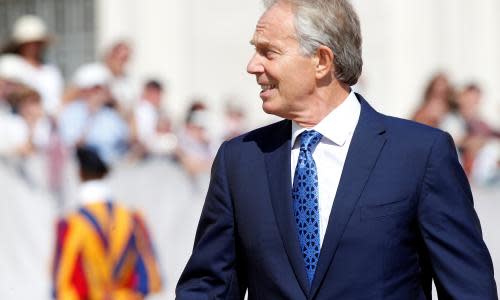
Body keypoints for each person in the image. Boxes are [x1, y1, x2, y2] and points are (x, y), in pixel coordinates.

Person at [176, 0, 497, 299]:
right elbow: (207, 287)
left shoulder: (420, 154)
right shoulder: (240, 161)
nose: (252, 66)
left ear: (321, 61)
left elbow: (469, 290)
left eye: (268, 52)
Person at [52, 145, 162, 299]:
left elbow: (62, 286)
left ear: (80, 174)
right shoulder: (133, 219)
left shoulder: (70, 224)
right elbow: (150, 279)